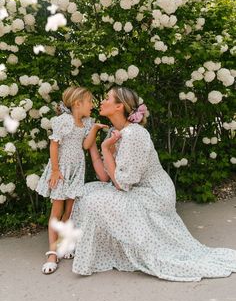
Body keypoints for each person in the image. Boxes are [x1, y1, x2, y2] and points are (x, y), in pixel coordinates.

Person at [71, 86, 236, 281]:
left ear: (118, 107)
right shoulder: (114, 132)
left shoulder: (134, 135)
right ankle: (104, 253)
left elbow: (121, 185)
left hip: (154, 193)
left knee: (95, 200)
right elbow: (105, 178)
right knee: (86, 192)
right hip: (131, 187)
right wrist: (95, 148)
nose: (102, 102)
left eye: (107, 98)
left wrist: (107, 150)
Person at [36, 86, 107, 274]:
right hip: (61, 171)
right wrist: (56, 170)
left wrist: (95, 129)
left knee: (69, 211)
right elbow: (54, 145)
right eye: (90, 102)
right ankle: (52, 253)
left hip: (76, 171)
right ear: (77, 103)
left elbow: (85, 145)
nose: (92, 105)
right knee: (57, 212)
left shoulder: (85, 123)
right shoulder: (63, 121)